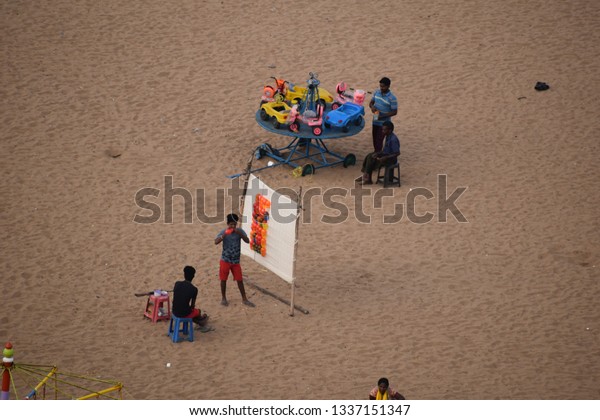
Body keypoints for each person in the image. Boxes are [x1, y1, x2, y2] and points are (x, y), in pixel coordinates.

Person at [214, 213, 255, 307]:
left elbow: (247, 241)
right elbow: (216, 242)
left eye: (234, 224)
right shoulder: (223, 232)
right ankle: (223, 298)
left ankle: (244, 299)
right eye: (231, 224)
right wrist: (224, 235)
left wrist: (239, 233)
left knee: (239, 280)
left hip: (236, 261)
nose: (233, 226)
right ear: (227, 224)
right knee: (223, 280)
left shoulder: (239, 231)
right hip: (225, 260)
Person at [358, 121, 400, 185]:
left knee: (372, 160)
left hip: (390, 159)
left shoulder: (393, 140)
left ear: (390, 130)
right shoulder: (388, 136)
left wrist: (385, 157)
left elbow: (397, 153)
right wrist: (378, 154)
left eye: (384, 130)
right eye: (382, 129)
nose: (382, 131)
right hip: (385, 155)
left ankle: (367, 178)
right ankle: (366, 176)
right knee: (370, 156)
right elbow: (385, 150)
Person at [172, 265, 212, 331]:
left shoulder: (177, 283)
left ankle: (201, 320)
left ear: (184, 274)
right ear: (193, 276)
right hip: (184, 313)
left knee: (190, 311)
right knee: (198, 311)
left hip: (174, 311)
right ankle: (201, 322)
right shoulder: (194, 289)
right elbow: (192, 306)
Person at [369, 77, 398, 152]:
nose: (381, 88)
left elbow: (394, 112)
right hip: (375, 120)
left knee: (379, 141)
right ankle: (377, 152)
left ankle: (378, 154)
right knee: (374, 139)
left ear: (388, 86)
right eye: (380, 86)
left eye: (383, 86)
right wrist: (372, 107)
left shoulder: (392, 98)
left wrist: (381, 116)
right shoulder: (376, 92)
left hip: (384, 124)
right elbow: (371, 103)